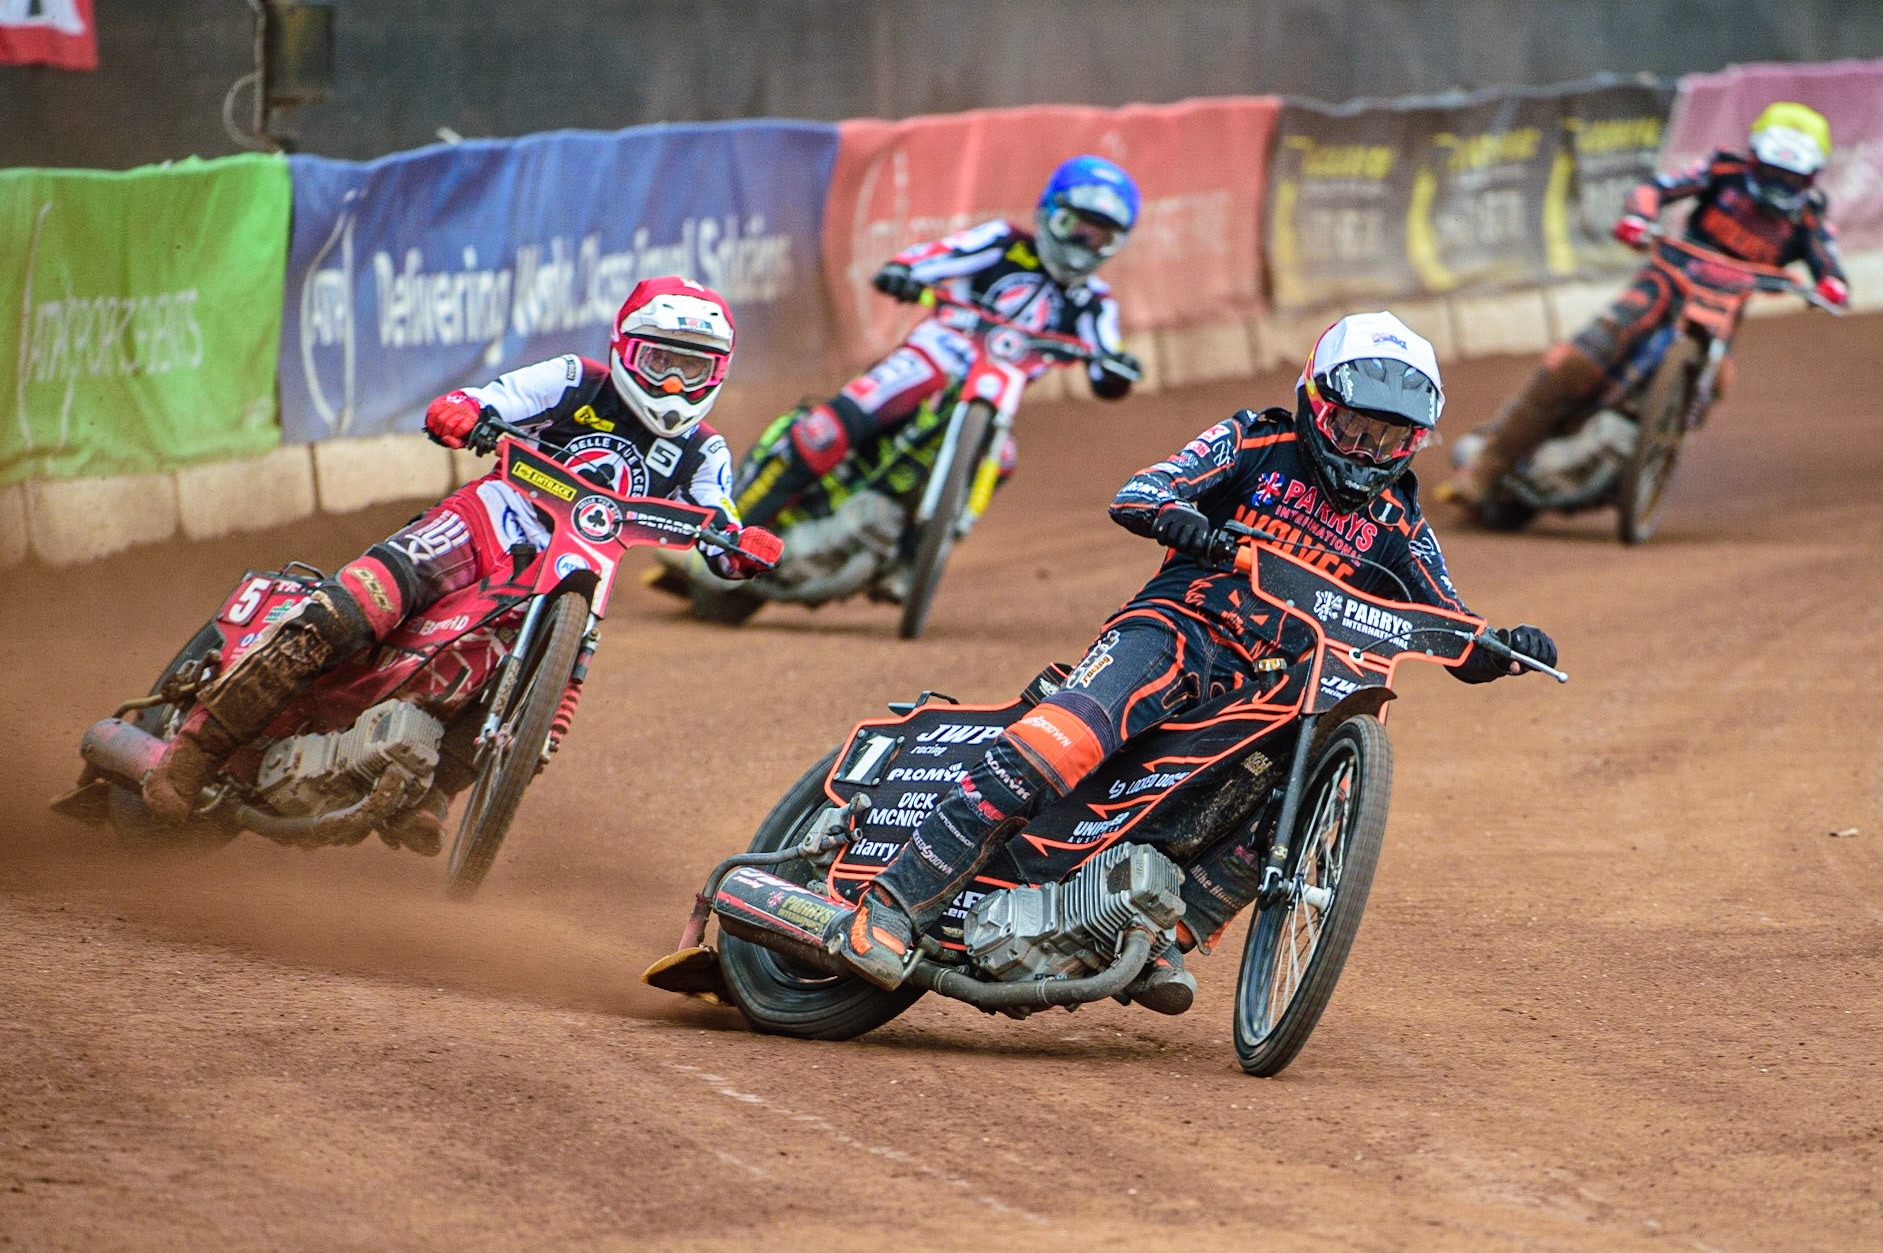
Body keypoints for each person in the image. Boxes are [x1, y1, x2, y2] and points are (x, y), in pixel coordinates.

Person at [825, 311, 1559, 1012]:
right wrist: (1185, 522)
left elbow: (1448, 624)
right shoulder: (1254, 443)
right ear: (1312, 399)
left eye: (1387, 439)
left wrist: (1503, 645)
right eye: (1351, 428)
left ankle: (1158, 933)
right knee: (1061, 744)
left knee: (1286, 793)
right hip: (1175, 629)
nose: (1364, 452)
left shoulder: (1396, 521)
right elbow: (1142, 490)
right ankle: (892, 902)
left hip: (1266, 685)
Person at [141, 276, 782, 850]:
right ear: (623, 348)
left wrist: (741, 552)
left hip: (569, 580)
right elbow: (494, 398)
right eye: (660, 361)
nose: (673, 384)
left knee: (536, 711)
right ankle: (194, 753)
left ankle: (432, 795)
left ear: (716, 373)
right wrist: (467, 412)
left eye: (690, 369)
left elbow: (718, 521)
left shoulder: (704, 451)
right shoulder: (574, 379)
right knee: (355, 607)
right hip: (486, 523)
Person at [1443, 101, 1849, 515]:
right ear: (1753, 158)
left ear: (1812, 176)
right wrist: (1639, 216)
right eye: (1773, 171)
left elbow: (1829, 260)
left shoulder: (1810, 216)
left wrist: (1832, 285)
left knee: (1719, 380)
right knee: (1574, 361)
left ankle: (1653, 455)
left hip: (1719, 314)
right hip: (1664, 283)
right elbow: (1656, 187)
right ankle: (1485, 467)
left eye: (1792, 176)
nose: (1781, 184)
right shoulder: (1724, 170)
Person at [732, 154, 1147, 529]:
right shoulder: (1002, 243)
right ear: (1049, 213)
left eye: (1099, 237)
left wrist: (1117, 371)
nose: (1082, 246)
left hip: (995, 396)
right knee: (828, 428)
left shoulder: (1094, 304)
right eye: (1076, 228)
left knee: (1001, 461)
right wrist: (905, 271)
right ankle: (735, 527)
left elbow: (1106, 358)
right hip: (934, 357)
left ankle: (915, 559)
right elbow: (935, 256)